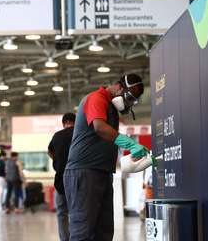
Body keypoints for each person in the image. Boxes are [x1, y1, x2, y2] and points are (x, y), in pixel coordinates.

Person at [64, 74, 148, 241]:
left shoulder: (112, 109)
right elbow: (99, 128)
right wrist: (130, 144)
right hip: (84, 172)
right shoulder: (96, 98)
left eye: (134, 101)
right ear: (119, 87)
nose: (130, 103)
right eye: (130, 97)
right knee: (83, 231)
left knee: (104, 231)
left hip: (102, 173)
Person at [48, 113, 76, 241]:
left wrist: (58, 161)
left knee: (61, 213)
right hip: (78, 178)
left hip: (60, 179)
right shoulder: (79, 134)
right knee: (78, 212)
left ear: (64, 123)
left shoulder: (57, 135)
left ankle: (64, 239)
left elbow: (50, 151)